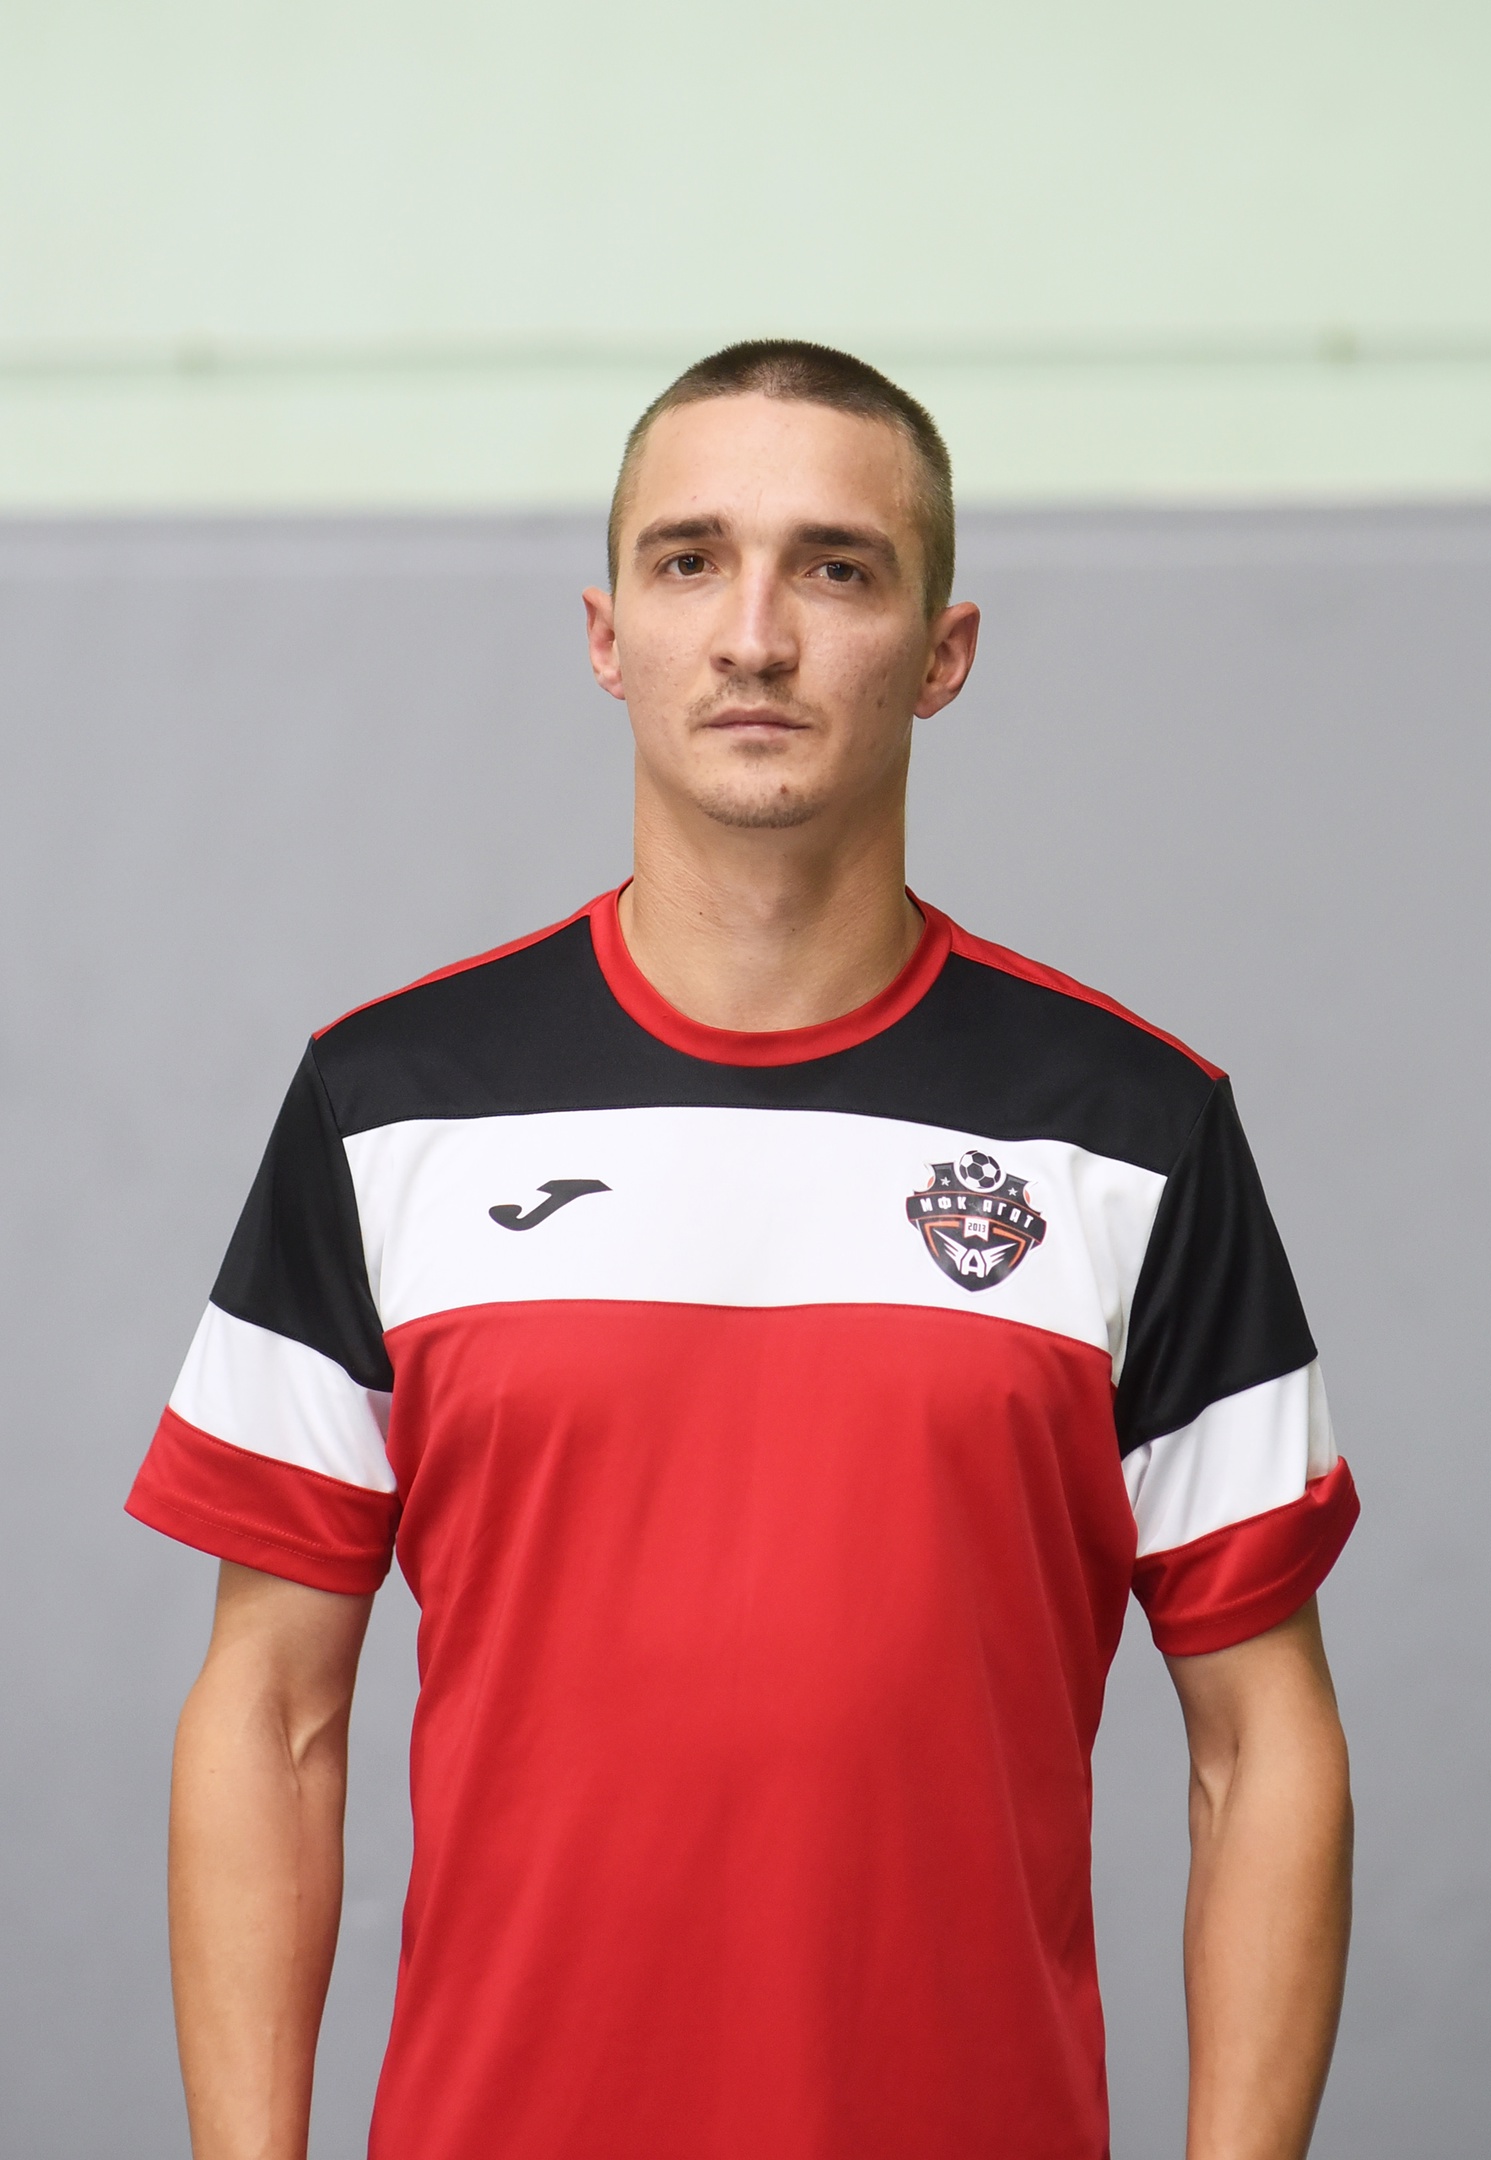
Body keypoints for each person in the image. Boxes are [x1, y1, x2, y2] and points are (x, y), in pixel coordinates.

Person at [128, 340, 1358, 2160]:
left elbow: (1263, 1747)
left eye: (836, 569)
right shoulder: (387, 1109)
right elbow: (270, 1716)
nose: (756, 636)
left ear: (940, 652)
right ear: (607, 633)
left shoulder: (1131, 1133)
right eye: (690, 560)